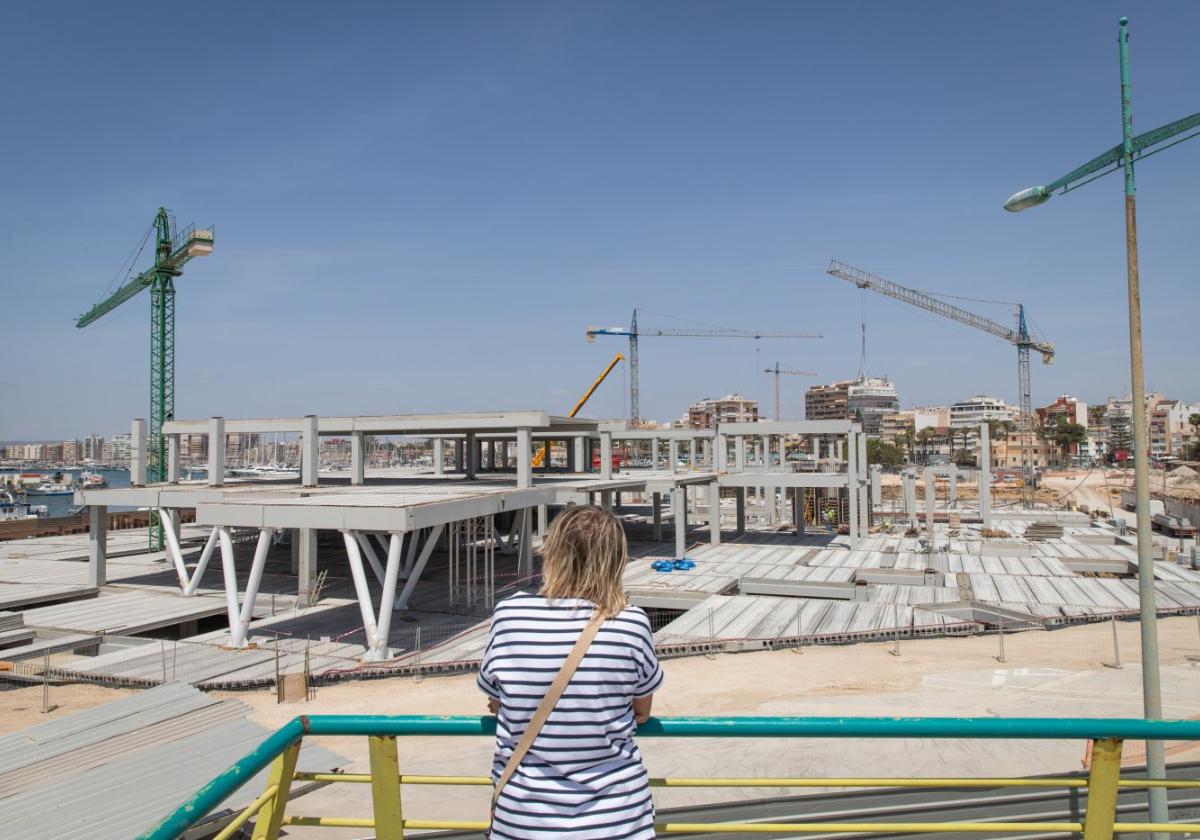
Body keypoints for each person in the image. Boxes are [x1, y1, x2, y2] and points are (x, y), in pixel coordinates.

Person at [477, 505, 664, 840]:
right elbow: (642, 712)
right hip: (617, 819)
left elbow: (496, 702)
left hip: (524, 818)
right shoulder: (631, 622)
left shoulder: (509, 614)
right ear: (617, 559)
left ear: (551, 553)